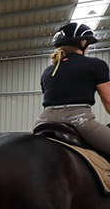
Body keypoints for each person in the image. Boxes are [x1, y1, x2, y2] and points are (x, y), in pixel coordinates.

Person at [34, 22, 110, 153]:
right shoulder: (95, 64)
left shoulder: (48, 71)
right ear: (83, 43)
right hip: (79, 121)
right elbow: (108, 99)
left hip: (43, 122)